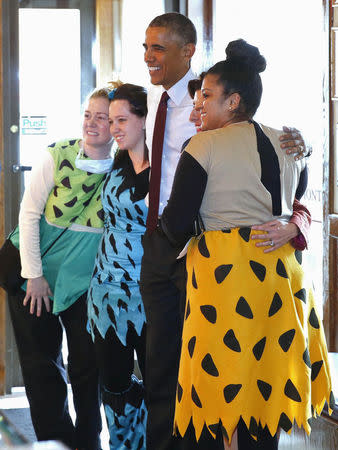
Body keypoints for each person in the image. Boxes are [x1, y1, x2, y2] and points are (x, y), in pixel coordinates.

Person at [140, 12, 311, 450]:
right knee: (262, 384)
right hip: (279, 280)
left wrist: (156, 255)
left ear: (232, 101)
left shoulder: (204, 144)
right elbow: (298, 201)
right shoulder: (289, 142)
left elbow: (177, 221)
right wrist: (292, 223)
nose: (200, 104)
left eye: (208, 96)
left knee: (220, 383)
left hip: (226, 278)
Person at [7, 87, 115, 450]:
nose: (93, 123)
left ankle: (89, 441)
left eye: (103, 117)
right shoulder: (59, 154)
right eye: (89, 114)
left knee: (88, 363)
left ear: (117, 124)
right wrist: (33, 276)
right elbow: (29, 214)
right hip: (31, 274)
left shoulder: (124, 168)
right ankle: (57, 442)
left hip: (83, 283)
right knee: (42, 367)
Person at [87, 82, 149, 450]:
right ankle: (124, 446)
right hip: (105, 295)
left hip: (150, 293)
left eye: (122, 120)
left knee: (160, 382)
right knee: (113, 383)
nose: (114, 129)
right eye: (112, 121)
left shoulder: (170, 166)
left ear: (145, 119)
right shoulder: (117, 162)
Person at [186, 75, 312, 252]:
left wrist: (294, 227)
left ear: (231, 104)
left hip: (238, 260)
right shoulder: (198, 148)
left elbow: (295, 203)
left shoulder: (272, 146)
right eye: (195, 107)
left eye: (203, 107)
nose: (194, 116)